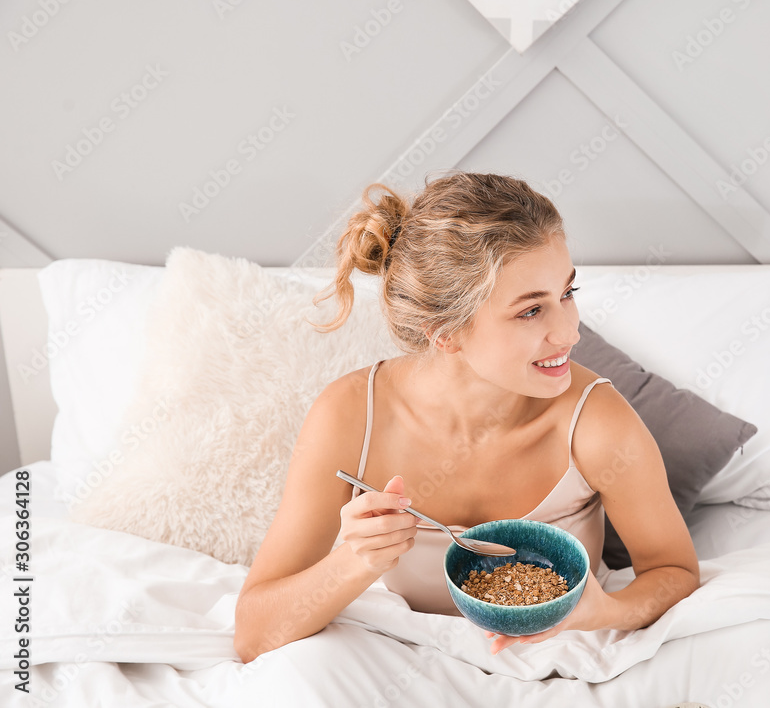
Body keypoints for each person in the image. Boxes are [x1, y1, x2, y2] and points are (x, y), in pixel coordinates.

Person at [234, 172, 699, 662]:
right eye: (529, 312)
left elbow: (675, 572)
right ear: (445, 333)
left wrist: (602, 613)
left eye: (567, 292)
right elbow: (253, 634)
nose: (569, 333)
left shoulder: (594, 420)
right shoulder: (349, 417)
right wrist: (354, 561)